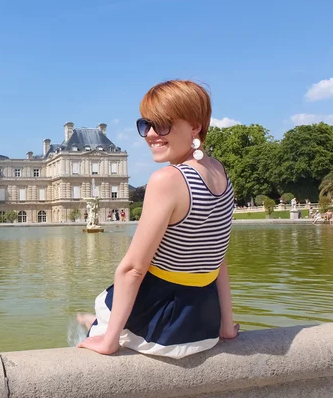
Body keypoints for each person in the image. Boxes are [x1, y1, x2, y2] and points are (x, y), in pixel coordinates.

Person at [76, 80, 239, 359]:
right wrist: (225, 325)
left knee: (99, 321)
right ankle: (97, 321)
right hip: (204, 322)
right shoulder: (219, 173)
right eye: (146, 125)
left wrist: (109, 341)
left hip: (164, 325)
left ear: (195, 127)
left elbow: (133, 270)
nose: (151, 134)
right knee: (96, 316)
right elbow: (218, 257)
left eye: (162, 124)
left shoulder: (168, 180)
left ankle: (103, 326)